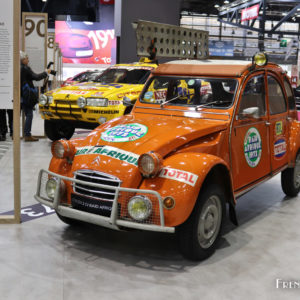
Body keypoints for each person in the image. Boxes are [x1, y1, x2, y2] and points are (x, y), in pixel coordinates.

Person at [20, 51, 51, 142]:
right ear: (23, 59)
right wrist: (46, 73)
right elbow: (36, 77)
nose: (28, 60)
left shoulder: (18, 68)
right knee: (29, 114)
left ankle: (24, 134)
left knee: (26, 114)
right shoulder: (25, 68)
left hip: (21, 94)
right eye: (26, 58)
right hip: (26, 94)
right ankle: (27, 134)